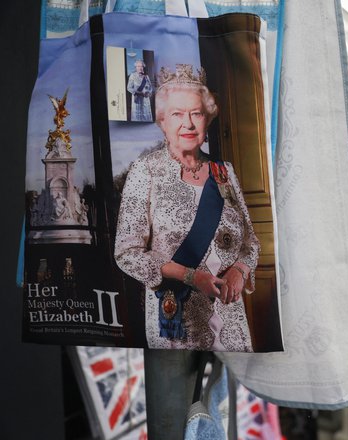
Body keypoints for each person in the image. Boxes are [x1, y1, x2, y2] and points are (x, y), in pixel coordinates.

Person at [114, 63, 260, 438]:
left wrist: (239, 270)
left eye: (196, 113)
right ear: (162, 121)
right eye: (177, 114)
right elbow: (127, 252)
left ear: (207, 119)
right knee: (173, 427)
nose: (188, 123)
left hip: (230, 321)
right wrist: (190, 276)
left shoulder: (223, 172)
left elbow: (250, 242)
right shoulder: (145, 171)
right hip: (175, 321)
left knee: (229, 422)